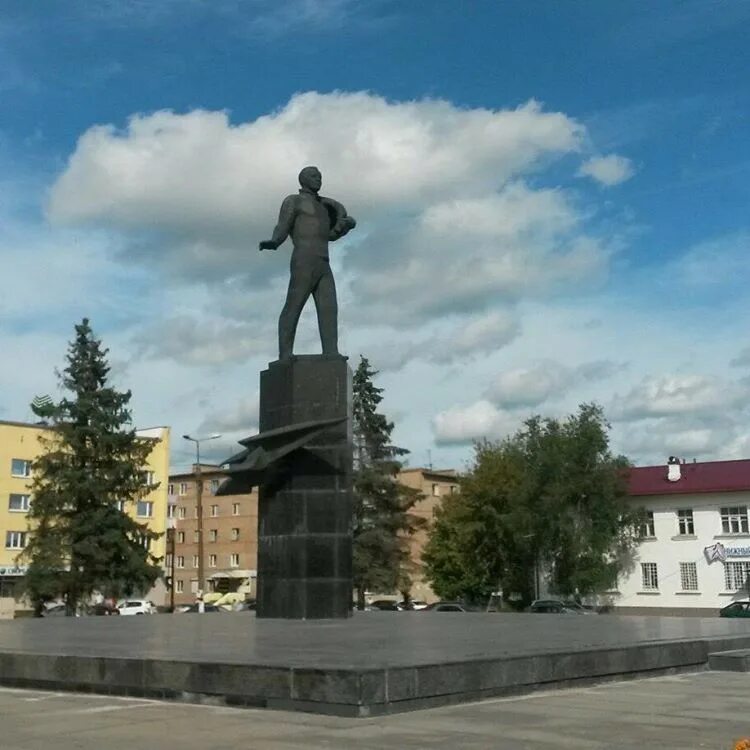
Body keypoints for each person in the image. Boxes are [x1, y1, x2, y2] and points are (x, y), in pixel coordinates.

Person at [259, 166, 356, 360]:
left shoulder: (324, 207)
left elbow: (328, 236)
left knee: (329, 308)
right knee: (294, 304)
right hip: (304, 259)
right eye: (314, 176)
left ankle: (331, 352)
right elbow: (282, 226)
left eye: (320, 176)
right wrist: (275, 241)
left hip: (323, 262)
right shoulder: (293, 201)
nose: (318, 180)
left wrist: (345, 227)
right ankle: (285, 354)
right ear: (302, 179)